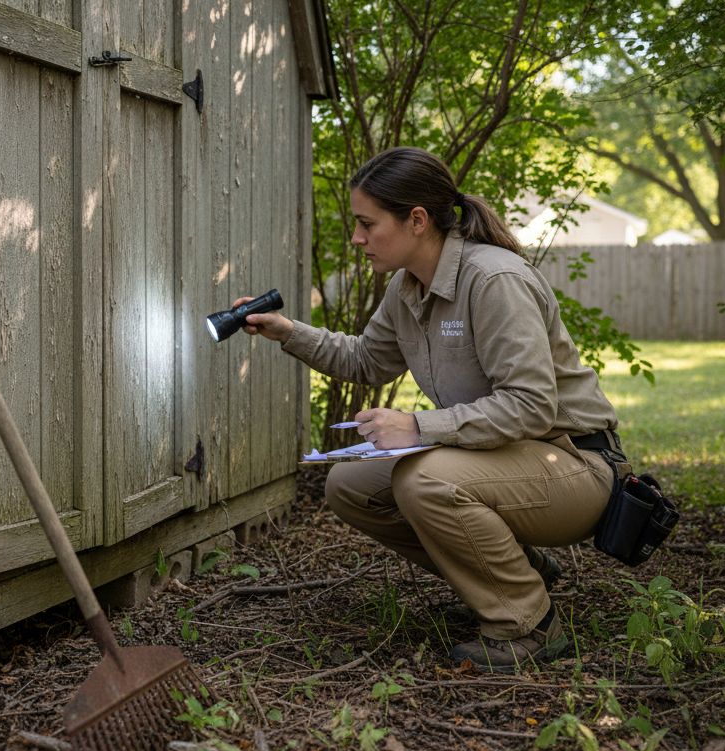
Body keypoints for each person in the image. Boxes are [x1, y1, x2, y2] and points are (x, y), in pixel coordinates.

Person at [235, 147, 627, 672]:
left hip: (575, 467)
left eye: (367, 224)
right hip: (510, 459)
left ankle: (528, 624)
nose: (357, 238)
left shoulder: (493, 281)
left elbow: (532, 407)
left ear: (416, 220)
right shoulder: (408, 287)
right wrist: (288, 331)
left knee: (425, 479)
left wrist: (418, 425)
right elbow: (366, 359)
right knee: (349, 487)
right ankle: (516, 573)